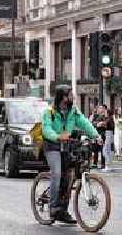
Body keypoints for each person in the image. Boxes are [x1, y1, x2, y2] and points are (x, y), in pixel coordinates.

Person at [41, 85, 101, 224]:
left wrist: (96, 136)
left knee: (69, 177)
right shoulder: (49, 112)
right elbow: (46, 129)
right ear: (63, 97)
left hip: (66, 146)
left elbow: (85, 123)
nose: (73, 97)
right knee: (56, 173)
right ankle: (54, 207)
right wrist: (57, 137)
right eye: (70, 95)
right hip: (52, 146)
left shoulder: (73, 111)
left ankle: (63, 211)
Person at [90, 105, 107, 170]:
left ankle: (103, 164)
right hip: (95, 134)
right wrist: (97, 123)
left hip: (102, 134)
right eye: (99, 108)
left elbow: (104, 124)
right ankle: (95, 163)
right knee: (95, 149)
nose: (99, 109)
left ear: (103, 109)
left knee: (102, 149)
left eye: (101, 108)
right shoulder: (95, 116)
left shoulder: (104, 116)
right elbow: (91, 123)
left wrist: (99, 123)